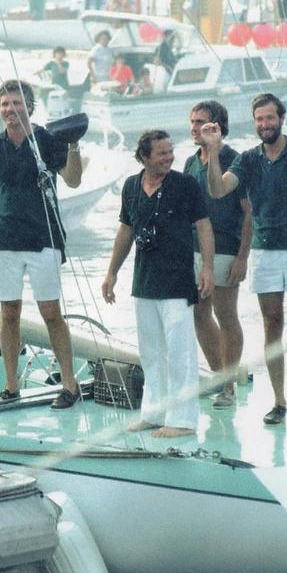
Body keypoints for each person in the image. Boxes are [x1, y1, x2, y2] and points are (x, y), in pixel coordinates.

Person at [203, 94, 287, 427]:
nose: (264, 124)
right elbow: (218, 190)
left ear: (282, 118)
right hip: (264, 251)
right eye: (259, 119)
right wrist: (215, 151)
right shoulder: (247, 159)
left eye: (270, 118)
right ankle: (279, 401)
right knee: (271, 324)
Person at [0, 80, 84, 410]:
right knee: (9, 312)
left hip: (44, 237)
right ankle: (11, 387)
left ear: (30, 107)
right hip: (4, 238)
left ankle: (69, 384)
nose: (10, 110)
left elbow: (72, 179)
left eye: (17, 103)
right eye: (5, 104)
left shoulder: (47, 139)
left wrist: (73, 146)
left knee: (50, 312)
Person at [102, 129, 214, 437]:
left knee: (180, 352)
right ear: (145, 156)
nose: (169, 157)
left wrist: (207, 268)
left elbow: (203, 227)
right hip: (145, 280)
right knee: (151, 352)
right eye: (162, 153)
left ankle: (183, 420)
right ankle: (153, 412)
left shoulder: (184, 185)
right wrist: (112, 272)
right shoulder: (131, 186)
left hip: (177, 280)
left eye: (170, 151)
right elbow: (125, 231)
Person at [184, 101, 250, 408]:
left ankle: (228, 385)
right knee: (200, 313)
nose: (196, 128)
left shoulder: (234, 159)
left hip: (226, 245)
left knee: (226, 314)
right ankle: (218, 374)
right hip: (196, 248)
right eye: (193, 122)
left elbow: (249, 214)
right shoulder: (190, 161)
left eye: (202, 123)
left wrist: (242, 256)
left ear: (218, 127)